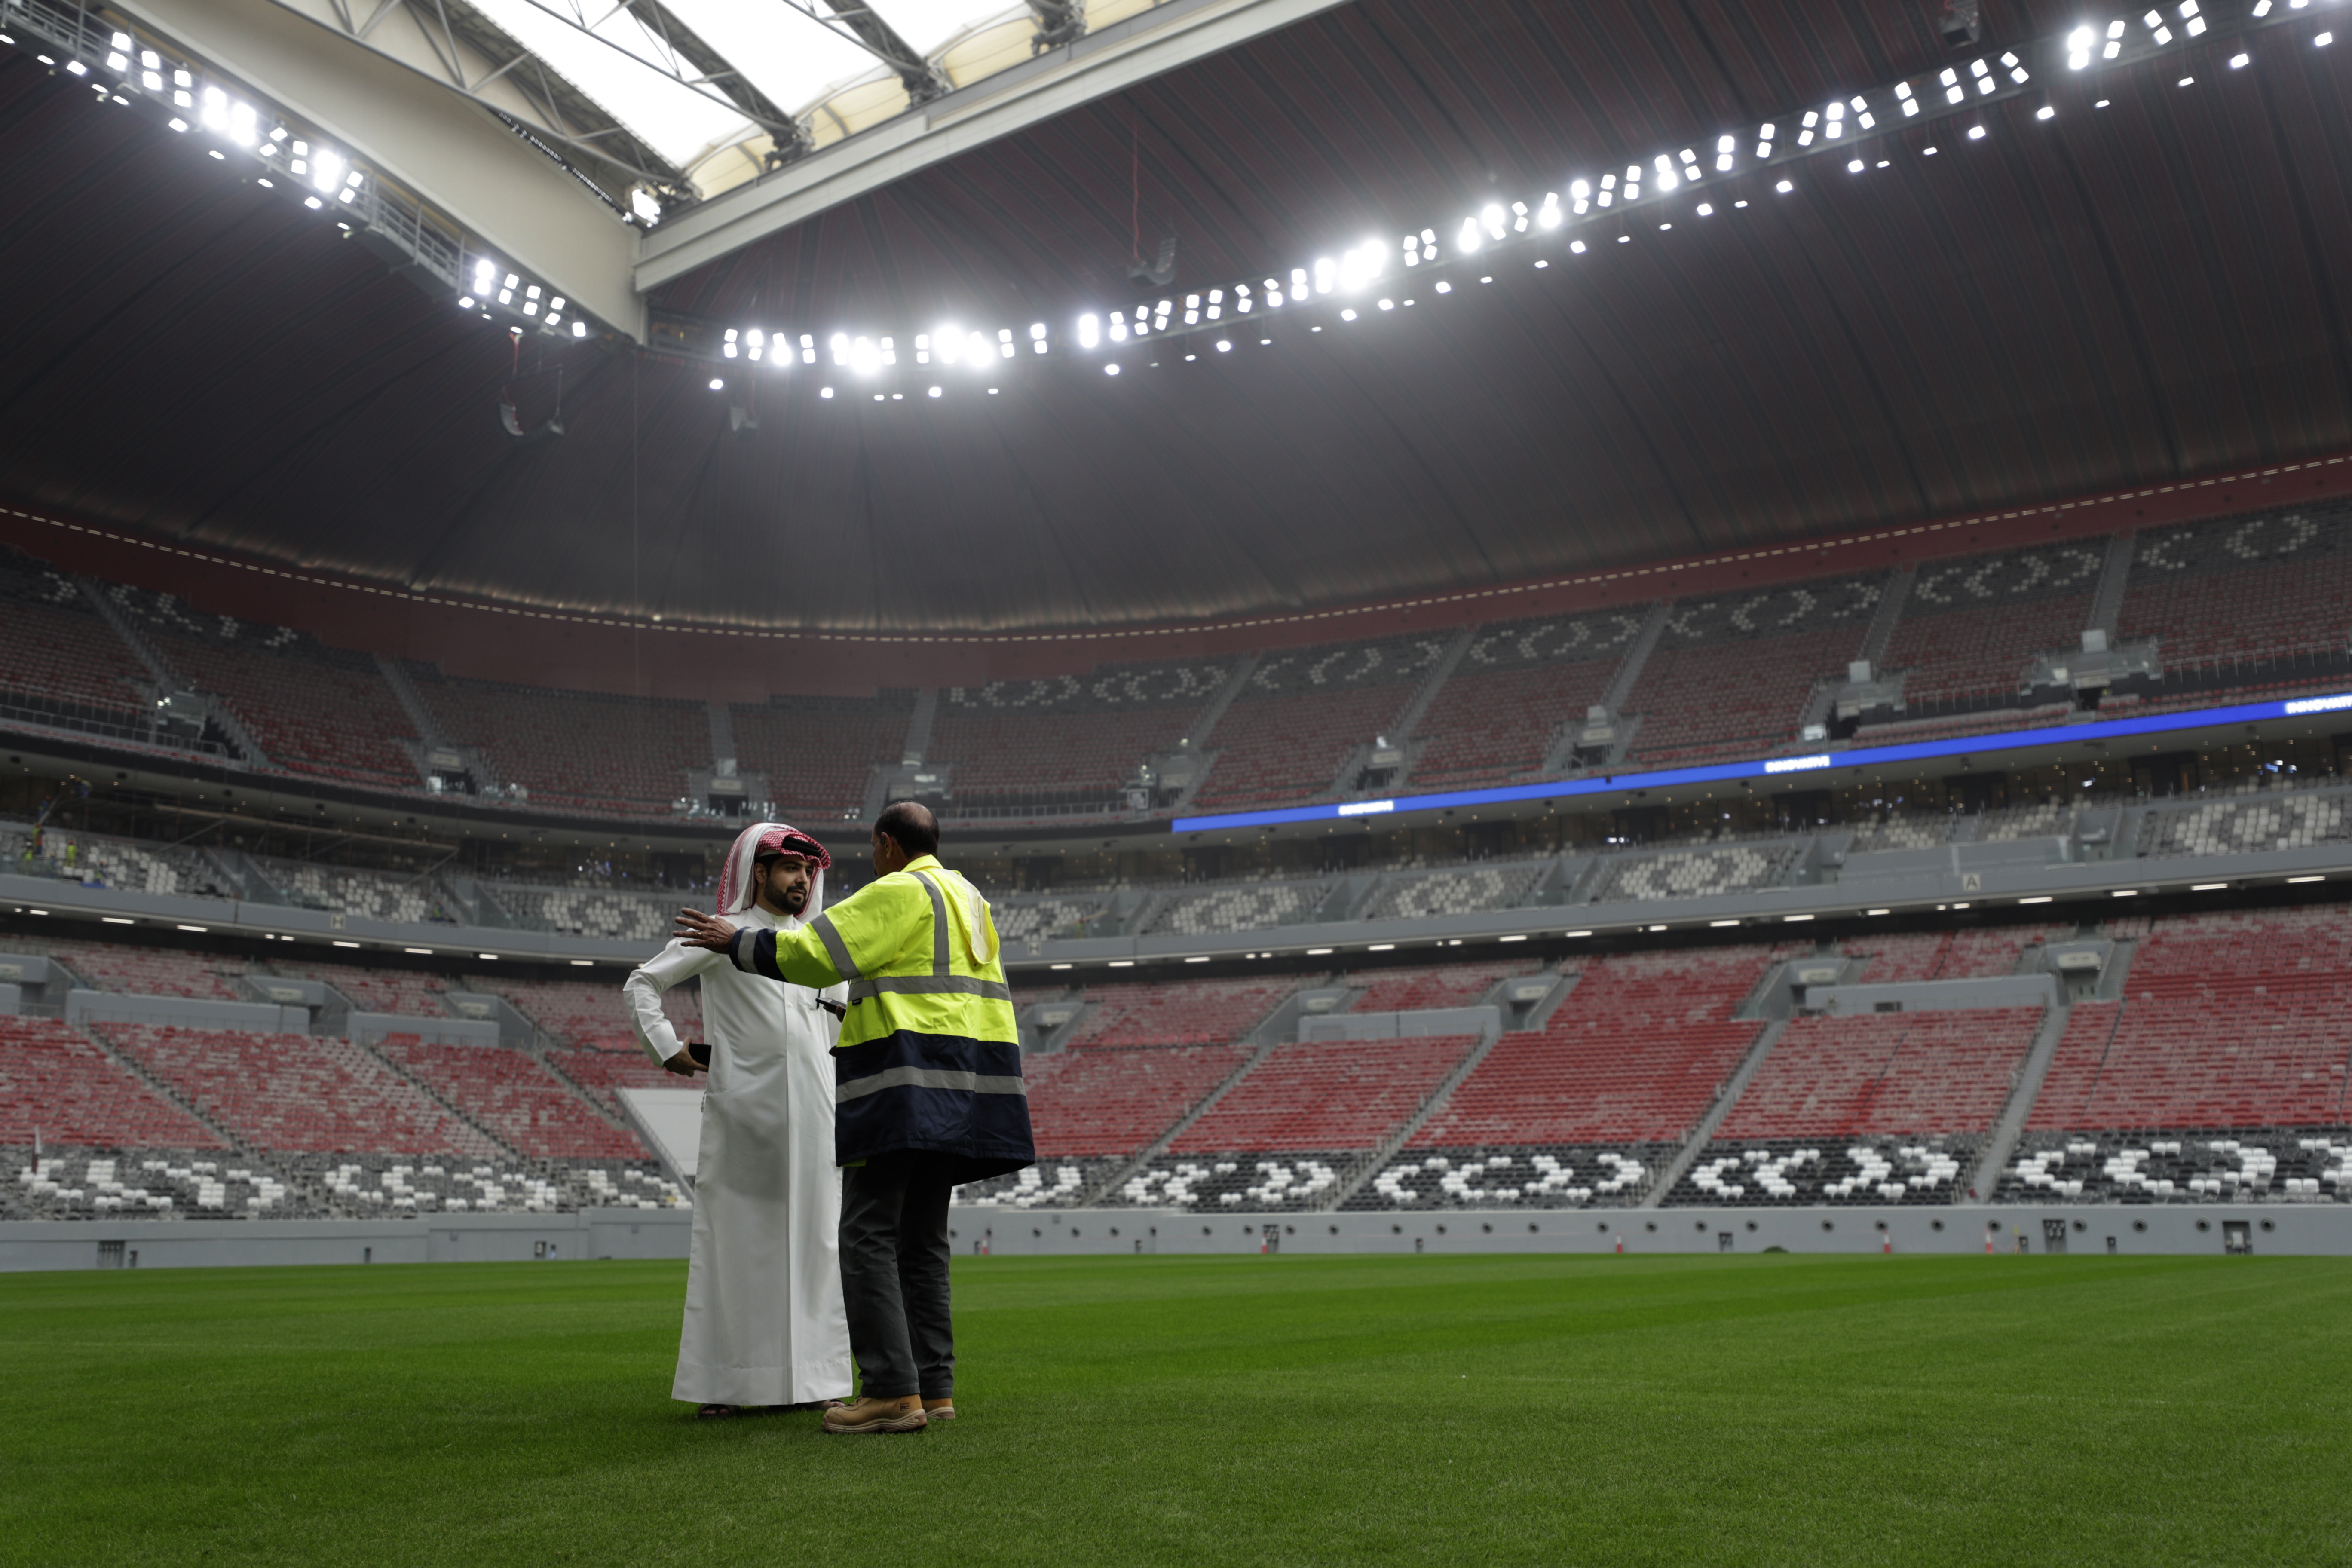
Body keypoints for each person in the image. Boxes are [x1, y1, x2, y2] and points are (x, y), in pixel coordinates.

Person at [672, 801, 1032, 1436]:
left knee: (867, 1233)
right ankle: (935, 1386)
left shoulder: (897, 890)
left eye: (872, 849)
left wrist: (738, 941)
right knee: (923, 1242)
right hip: (969, 1083)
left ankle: (893, 1391)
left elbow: (814, 954)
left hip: (902, 1081)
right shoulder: (971, 899)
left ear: (887, 844)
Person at [623, 820, 854, 1419]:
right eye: (790, 868)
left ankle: (818, 1380)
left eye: (809, 870)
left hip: (816, 1120)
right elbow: (644, 982)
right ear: (760, 872)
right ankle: (728, 1385)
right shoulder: (723, 934)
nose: (802, 879)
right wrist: (667, 1047)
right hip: (742, 1115)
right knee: (737, 1248)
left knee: (818, 1248)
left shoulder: (817, 948)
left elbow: (837, 1025)